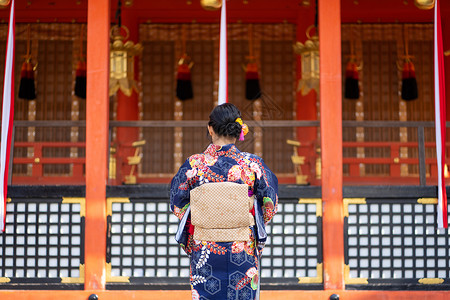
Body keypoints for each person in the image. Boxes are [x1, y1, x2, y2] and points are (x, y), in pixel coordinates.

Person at [170, 103, 278, 300]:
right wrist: (244, 218)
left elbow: (178, 204)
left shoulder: (194, 164)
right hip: (242, 247)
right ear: (238, 131)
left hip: (205, 247)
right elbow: (269, 205)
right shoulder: (251, 164)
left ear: (210, 129)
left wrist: (206, 216)